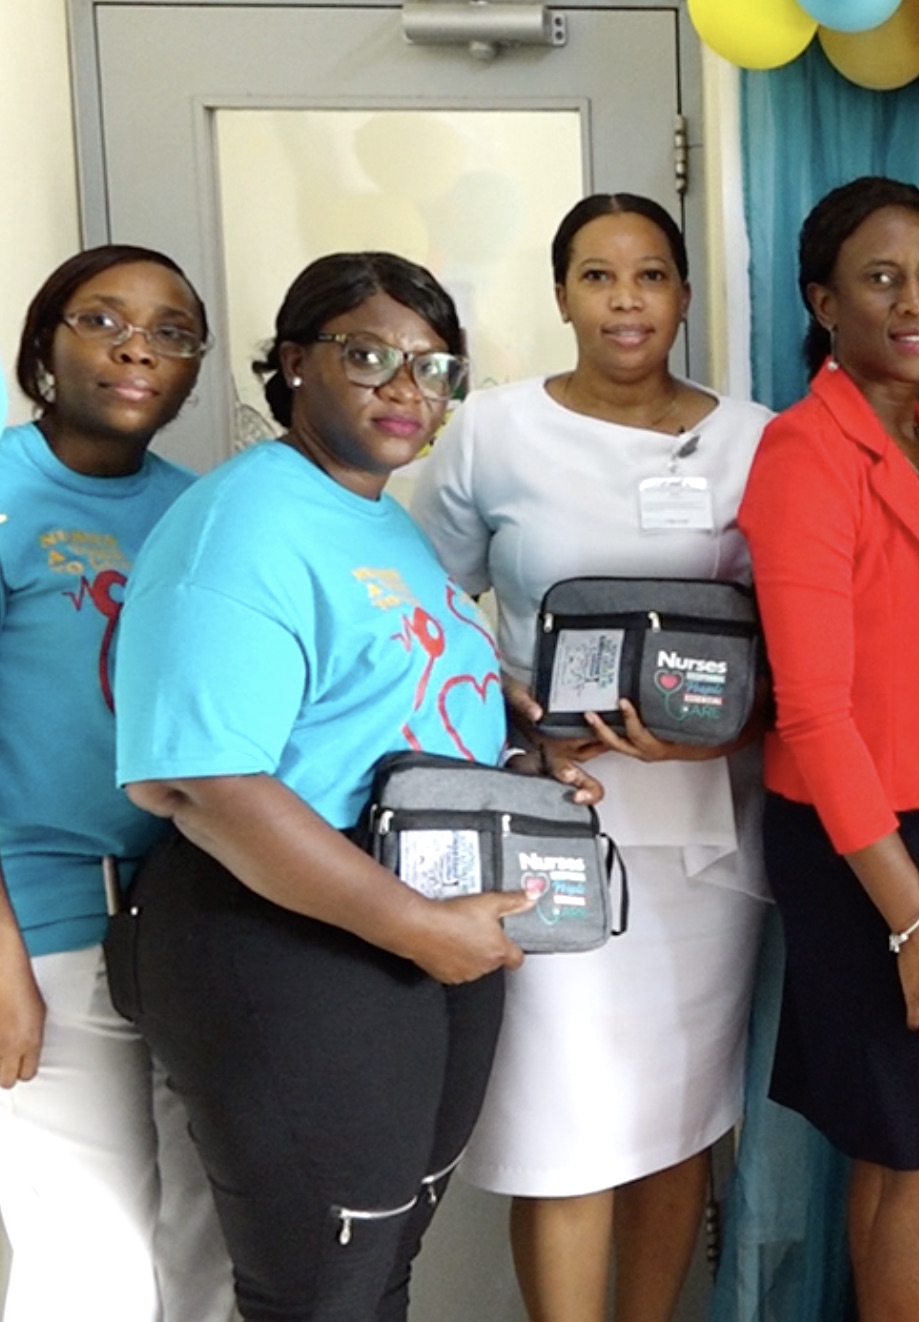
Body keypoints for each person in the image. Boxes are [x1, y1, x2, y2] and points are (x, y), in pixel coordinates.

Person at [113, 251, 591, 1322]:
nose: (408, 387)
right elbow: (209, 782)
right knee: (321, 1287)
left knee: (379, 1266)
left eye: (436, 366)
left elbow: (378, 705)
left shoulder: (381, 518)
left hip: (413, 935)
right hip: (288, 937)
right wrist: (415, 927)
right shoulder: (243, 523)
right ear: (293, 362)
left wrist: (518, 752)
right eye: (370, 355)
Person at [409, 193, 771, 1322]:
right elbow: (426, 612)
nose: (627, 301)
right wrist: (510, 712)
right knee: (565, 1129)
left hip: (704, 832)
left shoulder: (754, 438)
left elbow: (794, 627)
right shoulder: (493, 431)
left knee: (679, 1117)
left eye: (651, 275)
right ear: (562, 295)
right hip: (549, 817)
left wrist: (739, 721)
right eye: (600, 277)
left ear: (685, 294)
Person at [739, 176, 919, 1322]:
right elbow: (811, 713)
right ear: (823, 301)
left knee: (903, 1150)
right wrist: (913, 921)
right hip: (871, 845)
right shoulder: (806, 452)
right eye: (883, 278)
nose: (917, 302)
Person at [0, 245, 231, 1320]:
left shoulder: (205, 512)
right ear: (44, 344)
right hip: (47, 930)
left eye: (172, 332)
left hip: (197, 924)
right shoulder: (7, 493)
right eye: (102, 320)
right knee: (88, 1266)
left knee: (209, 1255)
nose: (139, 347)